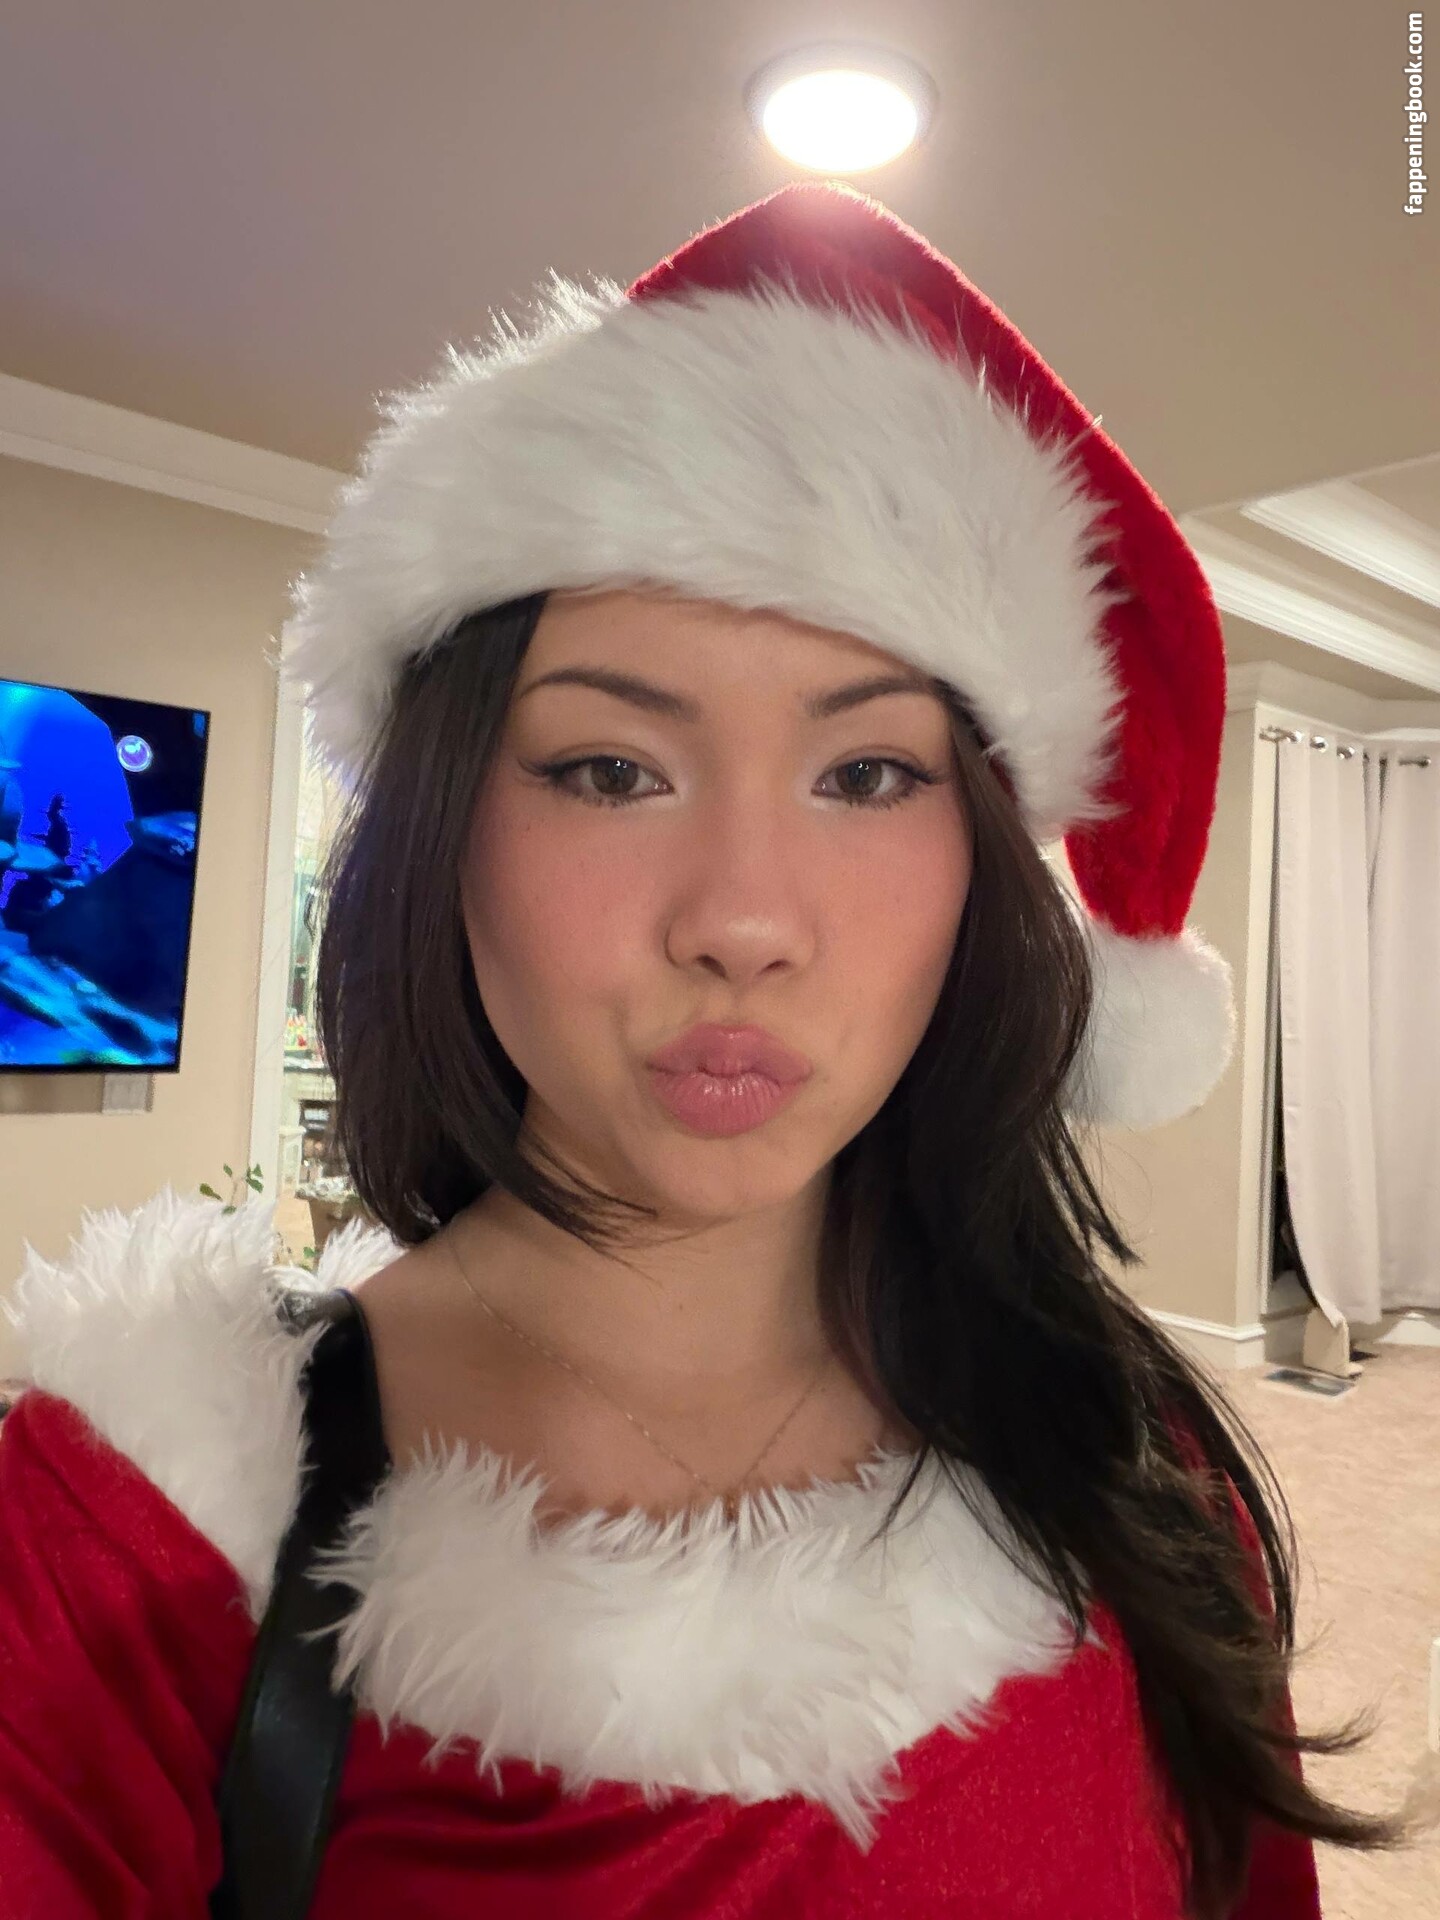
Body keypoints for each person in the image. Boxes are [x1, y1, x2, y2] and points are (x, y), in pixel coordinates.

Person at [0, 182, 1421, 1919]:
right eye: (611, 771)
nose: (743, 919)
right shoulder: (141, 1527)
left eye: (868, 775)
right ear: (451, 833)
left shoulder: (1134, 1461)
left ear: (979, 866)